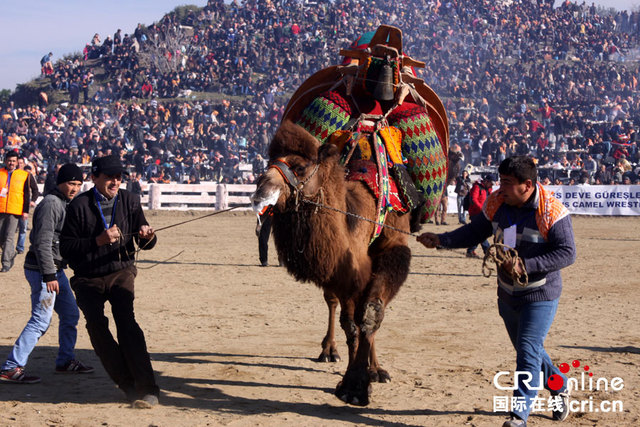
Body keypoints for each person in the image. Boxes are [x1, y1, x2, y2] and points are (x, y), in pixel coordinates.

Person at [417, 156, 575, 427]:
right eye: (500, 181)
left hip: (540, 294)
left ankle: (518, 417)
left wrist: (526, 265)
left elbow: (567, 252)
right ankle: (559, 385)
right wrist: (442, 240)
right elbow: (474, 232)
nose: (501, 188)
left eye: (508, 183)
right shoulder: (497, 202)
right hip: (507, 293)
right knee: (531, 350)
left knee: (526, 351)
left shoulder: (552, 211)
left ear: (527, 185)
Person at [60, 155, 160, 408]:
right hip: (87, 277)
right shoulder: (79, 206)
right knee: (97, 328)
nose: (115, 181)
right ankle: (126, 384)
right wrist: (98, 241)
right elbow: (67, 248)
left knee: (127, 323)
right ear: (94, 178)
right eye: (109, 177)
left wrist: (149, 237)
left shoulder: (129, 200)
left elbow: (144, 240)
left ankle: (148, 389)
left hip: (121, 271)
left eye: (118, 177)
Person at [0, 164, 93, 384]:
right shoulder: (52, 204)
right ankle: (11, 367)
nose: (75, 188)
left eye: (78, 184)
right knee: (41, 321)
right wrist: (49, 275)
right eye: (71, 183)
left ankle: (65, 361)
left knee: (70, 314)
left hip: (54, 270)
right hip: (43, 271)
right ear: (60, 182)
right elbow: (42, 243)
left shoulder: (63, 202)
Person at [1, 151, 35, 272]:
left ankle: (5, 263)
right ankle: (11, 254)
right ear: (5, 161)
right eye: (9, 160)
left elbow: (26, 194)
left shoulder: (23, 175)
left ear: (17, 162)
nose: (11, 163)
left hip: (15, 210)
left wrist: (25, 211)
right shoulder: (0, 173)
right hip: (0, 209)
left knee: (9, 236)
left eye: (13, 161)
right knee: (1, 238)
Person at [465, 173, 495, 258]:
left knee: (478, 233)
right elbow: (473, 199)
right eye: (491, 183)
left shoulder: (488, 189)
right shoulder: (477, 187)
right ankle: (487, 251)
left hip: (484, 213)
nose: (491, 185)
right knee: (481, 233)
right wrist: (482, 209)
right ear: (486, 181)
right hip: (476, 213)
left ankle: (470, 251)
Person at [16, 160, 40, 254]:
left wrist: (33, 200)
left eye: (21, 163)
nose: (19, 164)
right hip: (12, 205)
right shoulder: (11, 175)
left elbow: (35, 190)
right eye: (18, 163)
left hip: (24, 205)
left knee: (23, 227)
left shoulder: (28, 176)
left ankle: (20, 247)